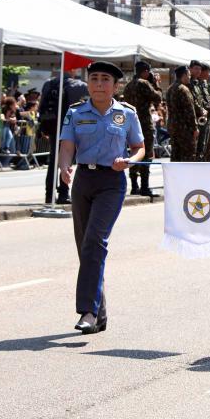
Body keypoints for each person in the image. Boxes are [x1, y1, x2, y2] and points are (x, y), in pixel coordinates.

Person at [58, 61, 146, 334]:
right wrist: (64, 166)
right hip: (83, 180)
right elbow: (67, 145)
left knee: (95, 240)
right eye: (94, 78)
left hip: (112, 182)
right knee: (86, 247)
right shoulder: (75, 112)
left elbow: (139, 147)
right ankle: (99, 316)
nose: (98, 84)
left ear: (115, 86)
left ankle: (88, 311)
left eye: (105, 79)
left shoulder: (126, 113)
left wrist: (129, 161)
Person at [40, 69, 89, 204]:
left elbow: (41, 105)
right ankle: (63, 193)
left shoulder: (49, 84)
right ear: (72, 70)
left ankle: (49, 195)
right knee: (66, 160)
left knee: (53, 161)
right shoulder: (79, 85)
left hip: (52, 125)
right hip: (69, 127)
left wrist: (42, 126)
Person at [122, 61, 164, 196]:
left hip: (131, 124)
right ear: (145, 71)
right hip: (144, 124)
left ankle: (134, 186)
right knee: (146, 154)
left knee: (134, 153)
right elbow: (158, 98)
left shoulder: (128, 86)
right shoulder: (144, 83)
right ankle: (145, 186)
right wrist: (156, 84)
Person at [166, 65, 199, 161]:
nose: (190, 77)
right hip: (185, 128)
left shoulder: (170, 89)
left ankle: (174, 171)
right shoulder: (183, 89)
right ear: (184, 75)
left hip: (173, 127)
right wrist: (194, 128)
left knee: (175, 154)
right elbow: (190, 110)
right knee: (188, 155)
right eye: (188, 75)